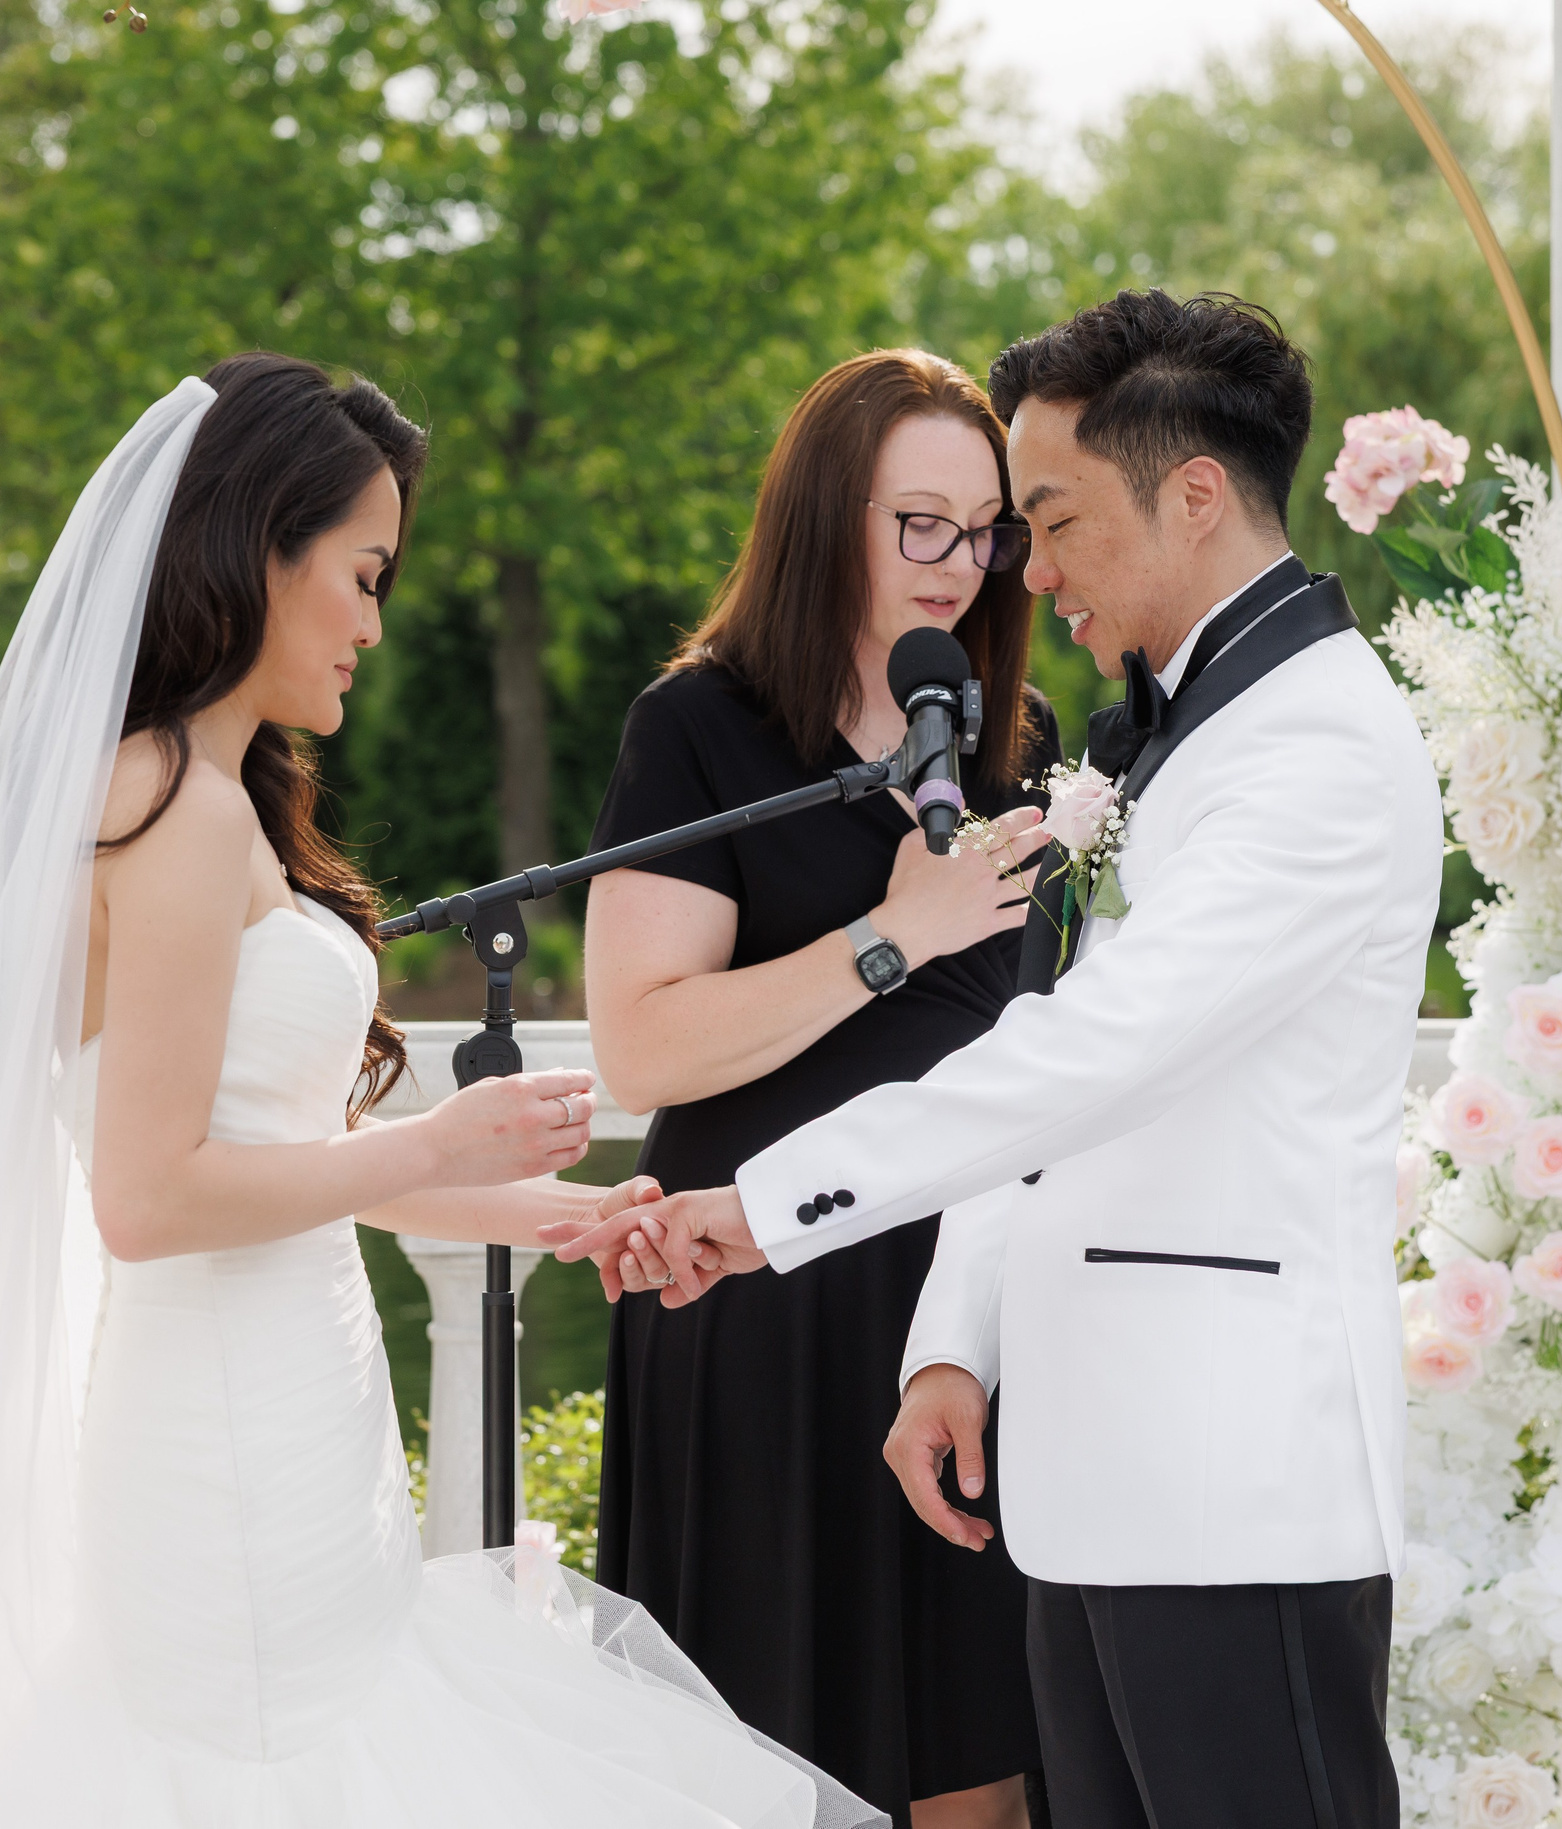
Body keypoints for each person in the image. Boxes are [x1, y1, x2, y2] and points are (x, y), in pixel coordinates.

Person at [0, 353, 880, 1829]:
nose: (372, 623)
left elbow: (280, 1154)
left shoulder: (206, 795)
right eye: (362, 576)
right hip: (226, 1448)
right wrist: (433, 1143)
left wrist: (556, 1210)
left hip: (294, 1419)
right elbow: (149, 1198)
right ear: (258, 549)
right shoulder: (170, 807)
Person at [557, 292, 1444, 1829]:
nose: (1021, 571)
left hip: (1231, 1482)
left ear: (1193, 495)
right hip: (1091, 1479)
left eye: (1049, 519)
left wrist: (766, 1203)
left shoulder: (1312, 750)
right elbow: (1043, 1054)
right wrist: (952, 1343)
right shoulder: (1174, 737)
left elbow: (1090, 1055)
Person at [582, 348, 1058, 1829]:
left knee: (982, 1766)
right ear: (822, 516)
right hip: (761, 1305)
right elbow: (640, 1046)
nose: (958, 566)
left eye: (985, 533)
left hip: (959, 1312)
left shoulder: (1018, 744)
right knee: (766, 1774)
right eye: (921, 523)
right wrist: (887, 938)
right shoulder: (700, 729)